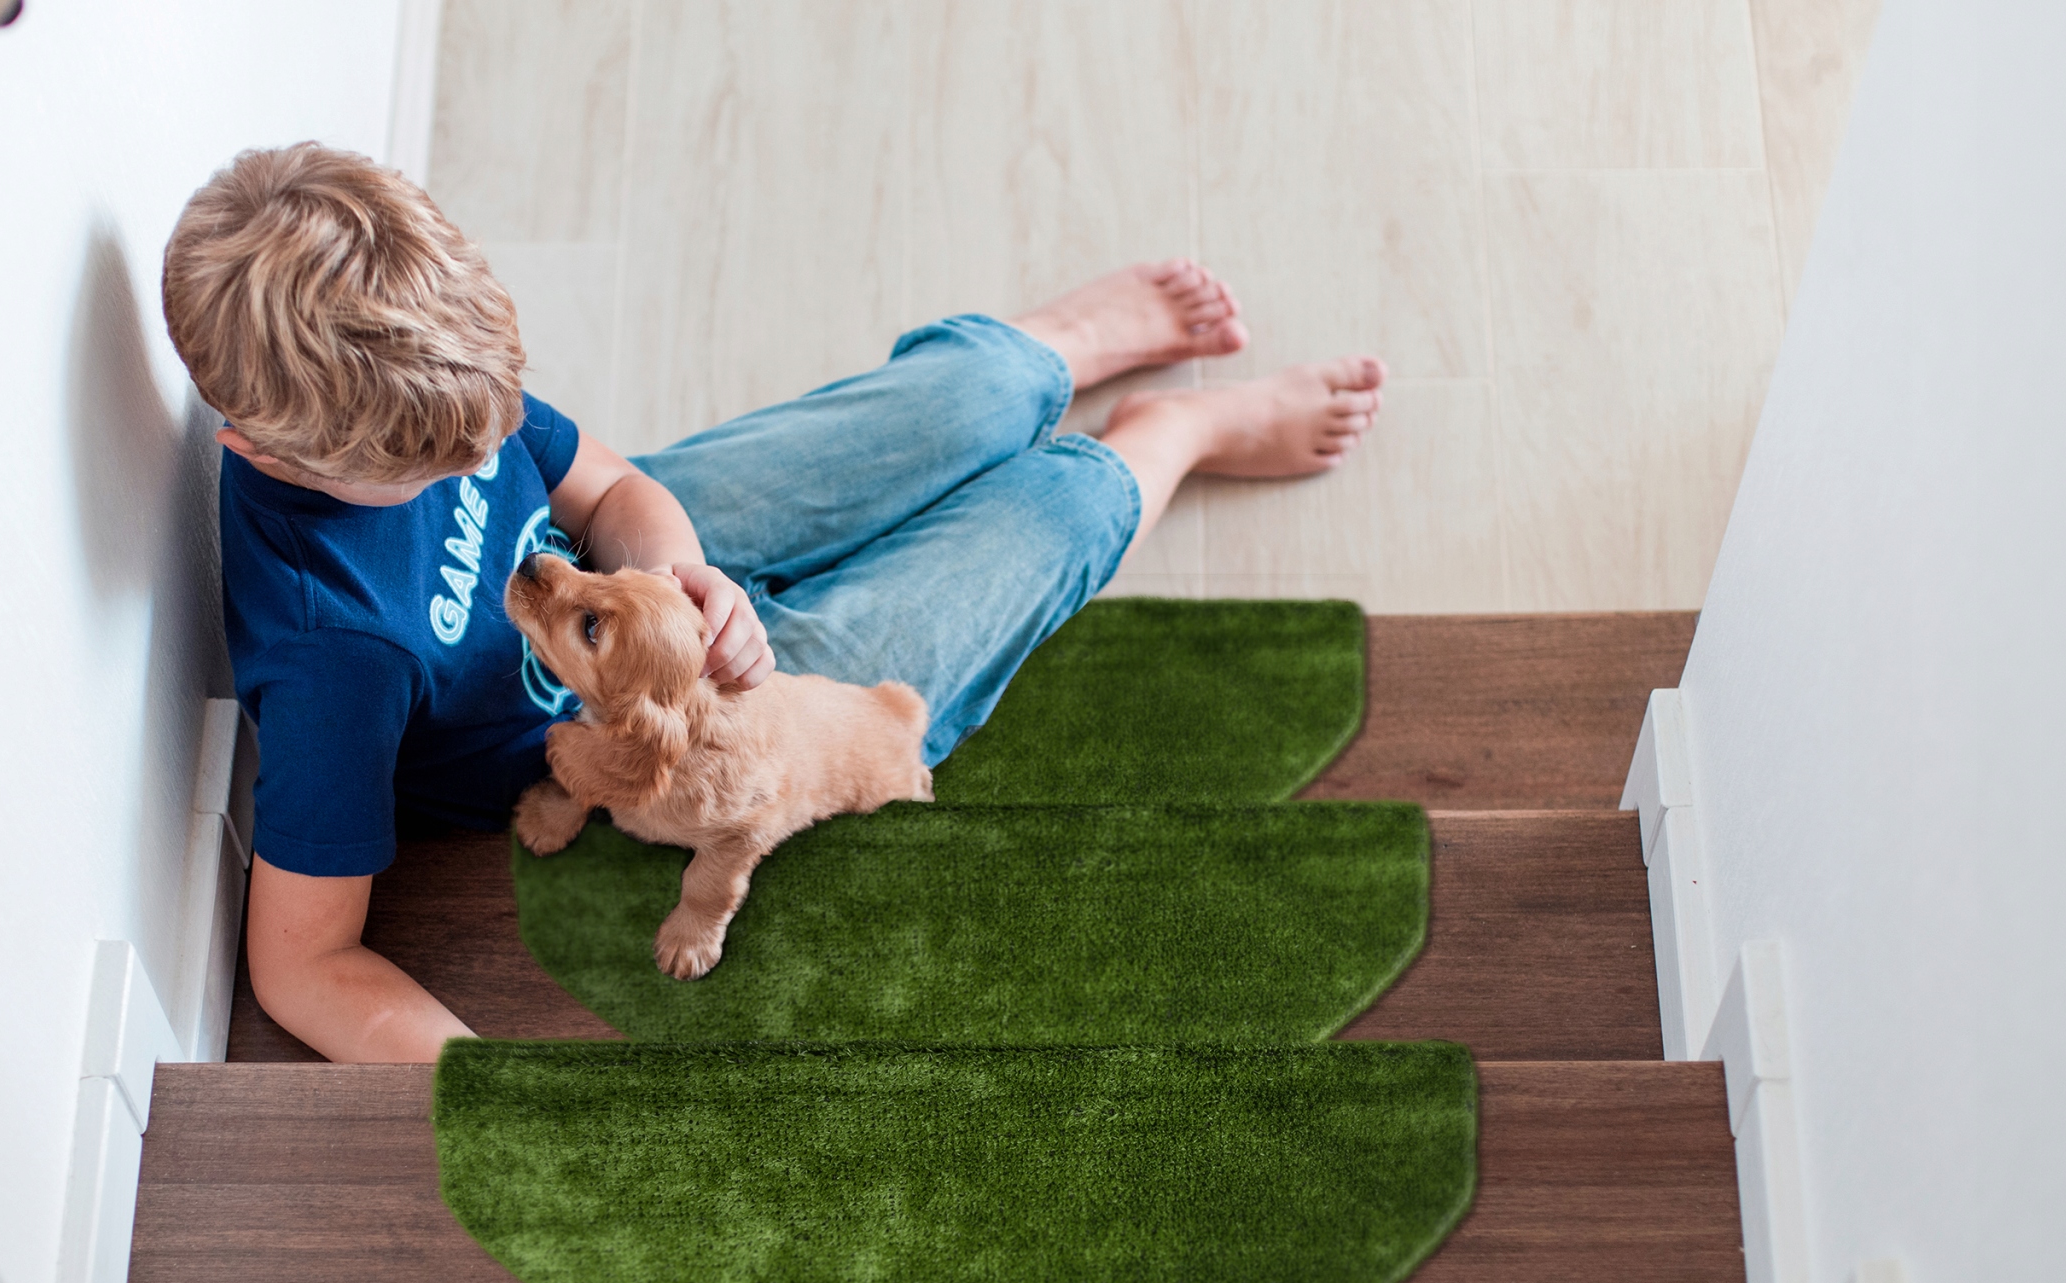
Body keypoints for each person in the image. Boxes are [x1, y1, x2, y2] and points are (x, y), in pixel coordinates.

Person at [161, 142, 1385, 1063]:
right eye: (436, 471)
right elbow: (301, 964)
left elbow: (612, 487)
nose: (478, 459)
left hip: (646, 574)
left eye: (487, 433)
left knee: (971, 399)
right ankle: (1166, 436)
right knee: (1050, 518)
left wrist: (681, 570)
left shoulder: (427, 384)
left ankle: (1051, 351)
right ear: (259, 450)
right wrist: (494, 1087)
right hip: (676, 730)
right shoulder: (337, 651)